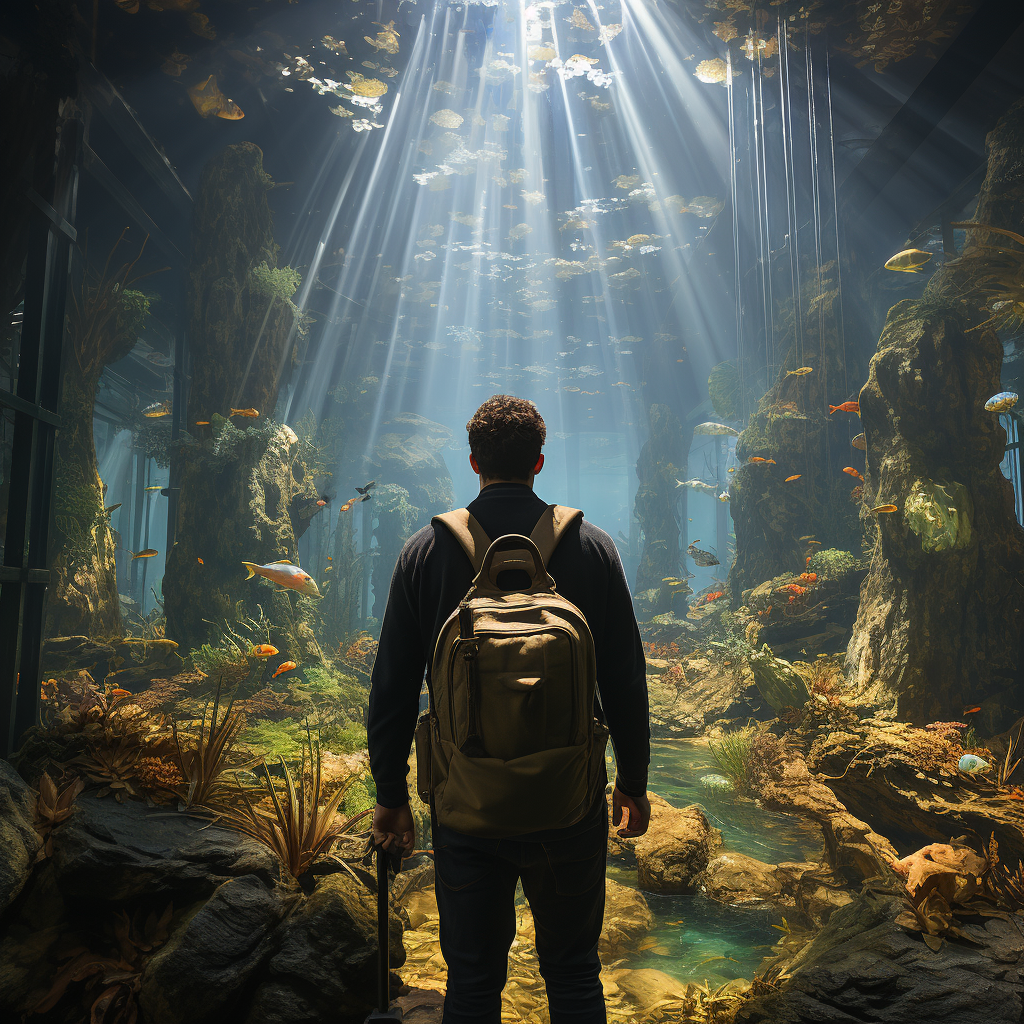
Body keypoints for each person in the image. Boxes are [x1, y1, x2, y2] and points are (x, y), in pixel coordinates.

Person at [367, 394, 650, 1024]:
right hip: (569, 805)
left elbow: (391, 686)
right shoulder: (593, 549)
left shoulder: (425, 552)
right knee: (574, 975)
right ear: (540, 462)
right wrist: (633, 781)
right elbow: (626, 680)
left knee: (471, 982)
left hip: (467, 810)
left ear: (472, 462)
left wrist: (391, 796)